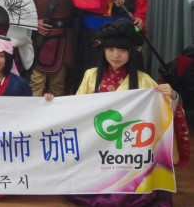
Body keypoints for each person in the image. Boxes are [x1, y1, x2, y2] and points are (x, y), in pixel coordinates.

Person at [72, 19, 177, 206]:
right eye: (110, 49)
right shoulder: (91, 75)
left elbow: (162, 111)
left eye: (122, 50)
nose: (116, 55)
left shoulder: (144, 80)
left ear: (132, 52)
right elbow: (75, 110)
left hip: (130, 147)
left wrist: (173, 96)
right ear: (103, 50)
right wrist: (52, 101)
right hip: (96, 143)